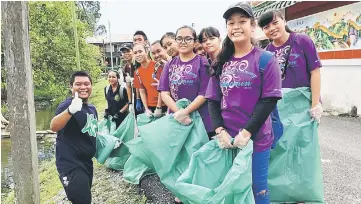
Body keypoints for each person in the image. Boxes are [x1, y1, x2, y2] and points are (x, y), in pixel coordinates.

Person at [205, 2, 282, 203]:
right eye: (231, 23)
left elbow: (269, 100)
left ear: (253, 26)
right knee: (230, 188)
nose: (236, 26)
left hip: (257, 139)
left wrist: (247, 132)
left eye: (242, 21)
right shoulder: (220, 62)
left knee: (258, 188)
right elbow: (213, 99)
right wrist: (219, 131)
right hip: (228, 141)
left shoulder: (266, 59)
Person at [258, 10, 323, 123]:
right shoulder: (266, 53)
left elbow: (315, 72)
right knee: (282, 140)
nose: (272, 28)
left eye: (275, 23)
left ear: (284, 21)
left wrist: (315, 104)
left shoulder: (303, 41)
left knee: (304, 139)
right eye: (266, 27)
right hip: (280, 107)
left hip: (304, 103)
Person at [50, 71, 98, 204]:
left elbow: (90, 132)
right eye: (78, 84)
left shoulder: (91, 109)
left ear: (91, 86)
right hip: (70, 164)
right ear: (71, 87)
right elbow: (54, 126)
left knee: (85, 198)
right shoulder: (67, 105)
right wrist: (71, 110)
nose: (83, 87)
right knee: (82, 200)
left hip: (87, 163)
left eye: (86, 83)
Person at [158, 25, 214, 136]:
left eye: (188, 38)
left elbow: (204, 93)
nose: (183, 42)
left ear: (194, 42)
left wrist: (186, 112)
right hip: (176, 119)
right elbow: (164, 92)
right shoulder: (169, 65)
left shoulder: (202, 63)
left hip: (201, 120)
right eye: (179, 38)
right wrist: (179, 113)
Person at [133, 44, 167, 117]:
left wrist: (159, 106)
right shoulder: (137, 72)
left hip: (164, 105)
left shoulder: (157, 66)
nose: (138, 54)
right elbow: (142, 91)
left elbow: (162, 87)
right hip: (150, 106)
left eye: (140, 51)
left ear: (146, 52)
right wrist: (146, 108)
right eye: (135, 53)